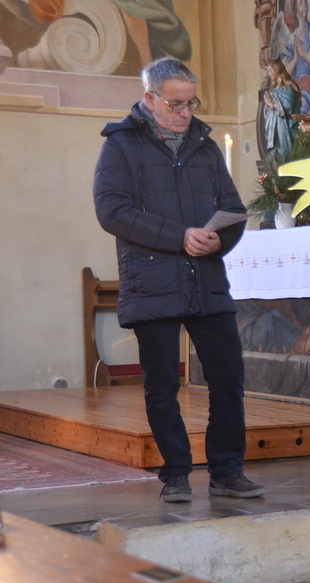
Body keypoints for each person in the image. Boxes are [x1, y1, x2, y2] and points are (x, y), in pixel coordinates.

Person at [93, 57, 264, 503]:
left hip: (206, 278)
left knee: (228, 378)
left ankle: (227, 471)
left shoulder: (205, 148)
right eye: (175, 104)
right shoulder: (121, 145)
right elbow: (111, 211)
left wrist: (219, 241)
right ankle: (175, 474)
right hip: (152, 279)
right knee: (163, 384)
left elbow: (233, 208)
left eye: (191, 103)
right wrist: (179, 237)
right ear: (150, 99)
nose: (186, 113)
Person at [262, 58, 301, 163]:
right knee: (275, 159)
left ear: (277, 70)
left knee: (285, 157)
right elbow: (270, 112)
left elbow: (287, 108)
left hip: (285, 128)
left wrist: (270, 103)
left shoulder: (288, 89)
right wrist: (267, 105)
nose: (269, 74)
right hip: (275, 130)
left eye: (270, 71)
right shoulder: (275, 90)